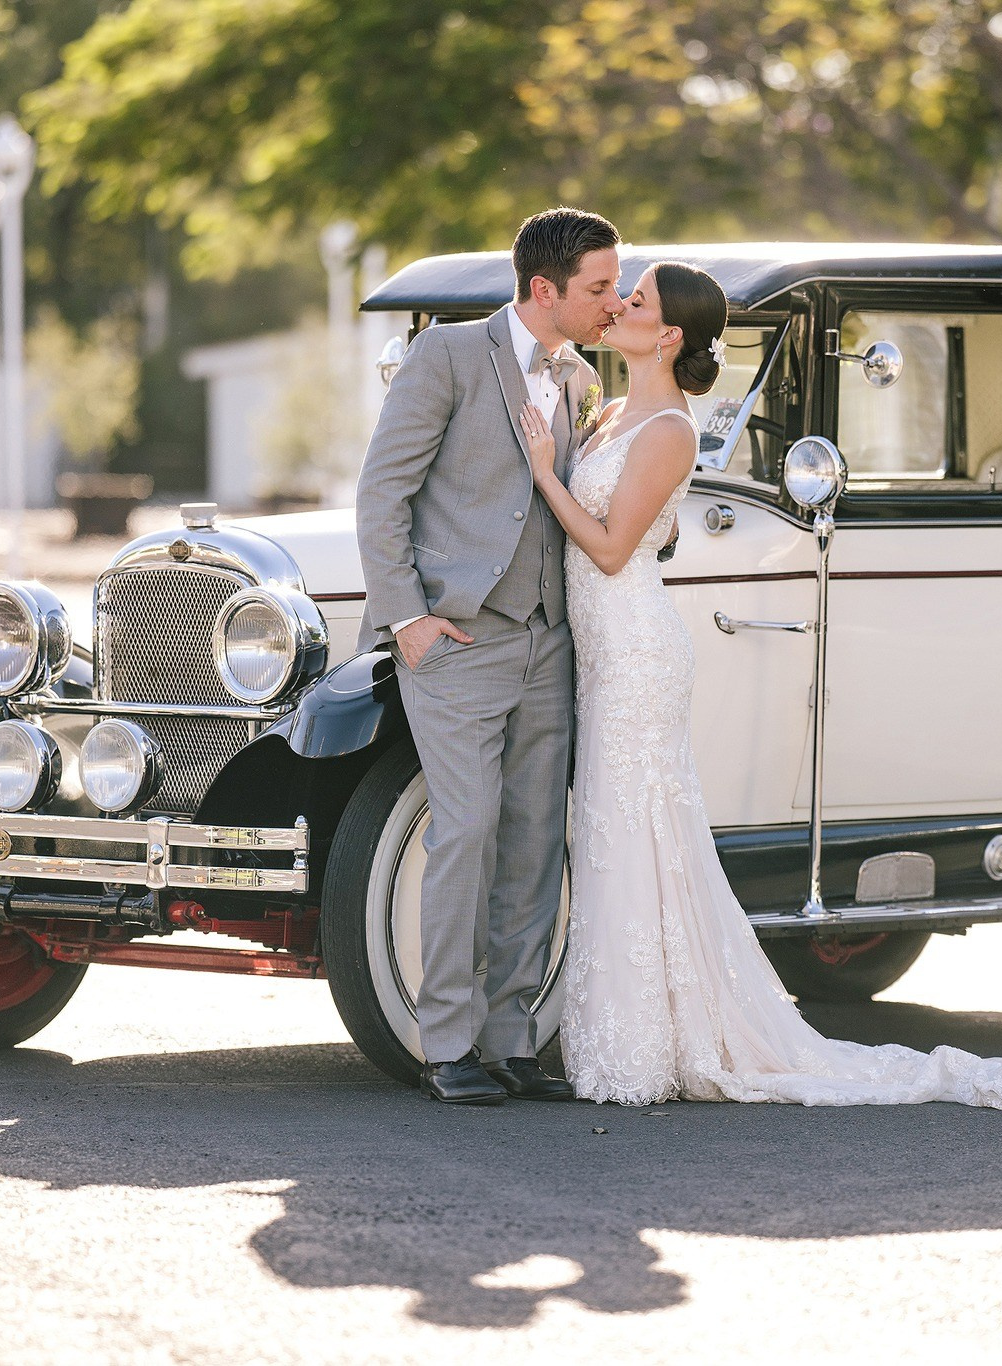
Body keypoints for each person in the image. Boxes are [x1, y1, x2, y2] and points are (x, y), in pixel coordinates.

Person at [520, 261, 1002, 1111]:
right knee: (616, 832)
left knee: (635, 832)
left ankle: (647, 1046)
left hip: (635, 652)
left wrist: (547, 471)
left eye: (637, 300)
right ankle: (633, 1033)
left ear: (667, 335)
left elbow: (614, 547)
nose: (619, 305)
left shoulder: (669, 428)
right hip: (605, 648)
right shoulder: (617, 406)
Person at [354, 207, 624, 1105]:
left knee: (536, 838)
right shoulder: (447, 357)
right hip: (457, 639)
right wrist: (409, 622)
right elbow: (382, 494)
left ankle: (511, 1039)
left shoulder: (582, 378)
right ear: (543, 289)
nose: (610, 302)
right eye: (596, 287)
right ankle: (448, 1044)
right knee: (464, 832)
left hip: (549, 641)